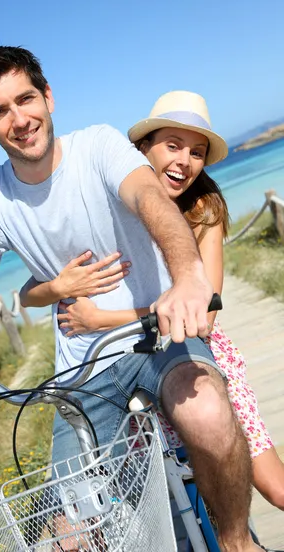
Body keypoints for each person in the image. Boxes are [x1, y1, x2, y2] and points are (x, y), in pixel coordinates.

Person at [0, 47, 259, 551]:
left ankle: (239, 544)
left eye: (26, 99)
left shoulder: (99, 146)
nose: (19, 119)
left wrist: (188, 277)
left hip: (158, 339)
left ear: (48, 97)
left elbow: (149, 199)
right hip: (82, 371)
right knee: (67, 531)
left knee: (208, 415)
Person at [23, 90, 284, 514]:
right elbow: (27, 293)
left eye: (196, 152)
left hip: (194, 364)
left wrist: (101, 319)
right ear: (143, 149)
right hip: (127, 376)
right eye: (173, 146)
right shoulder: (114, 202)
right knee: (165, 510)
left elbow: (208, 314)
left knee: (272, 486)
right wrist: (59, 286)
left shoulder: (203, 210)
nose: (184, 161)